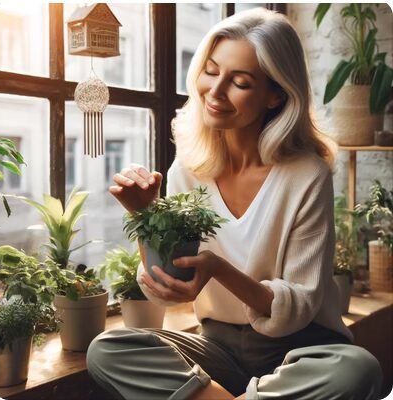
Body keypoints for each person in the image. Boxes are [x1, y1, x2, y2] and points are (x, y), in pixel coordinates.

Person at [87, 7, 382, 400]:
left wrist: (220, 270)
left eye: (239, 81)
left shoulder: (306, 174)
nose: (216, 90)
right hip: (218, 350)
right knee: (106, 351)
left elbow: (298, 306)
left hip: (300, 349)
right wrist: (145, 214)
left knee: (357, 368)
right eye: (211, 71)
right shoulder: (189, 169)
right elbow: (165, 288)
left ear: (276, 94)